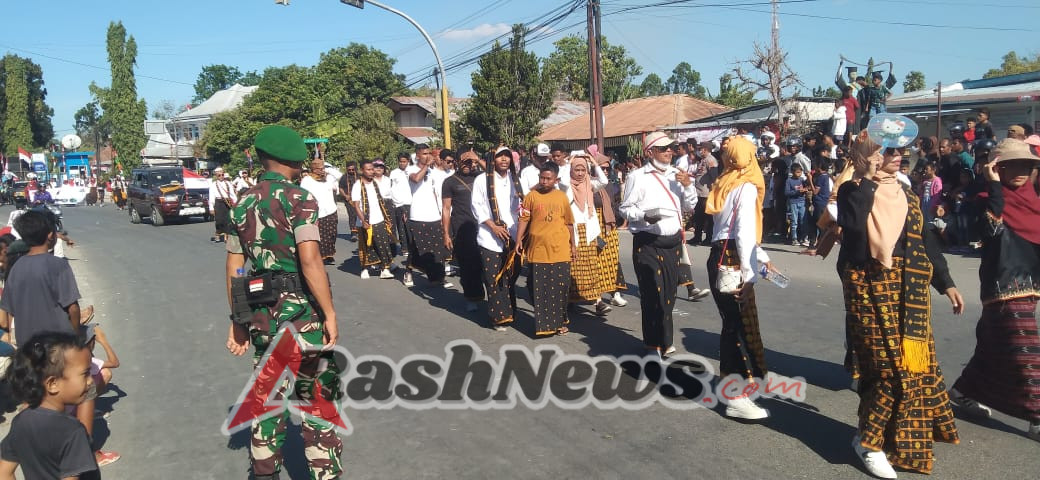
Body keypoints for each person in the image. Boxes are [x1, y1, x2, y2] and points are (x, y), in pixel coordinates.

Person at [837, 131, 962, 478]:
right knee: (886, 370)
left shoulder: (905, 192)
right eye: (887, 151)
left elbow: (924, 241)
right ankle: (868, 442)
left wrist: (946, 282)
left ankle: (890, 439)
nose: (897, 156)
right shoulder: (852, 190)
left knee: (914, 367)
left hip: (911, 292)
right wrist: (864, 178)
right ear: (868, 155)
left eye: (900, 151)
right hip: (869, 288)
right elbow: (854, 232)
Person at [224, 125, 343, 480]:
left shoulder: (242, 202)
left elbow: (235, 267)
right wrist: (330, 312)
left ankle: (264, 473)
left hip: (261, 315)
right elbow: (310, 261)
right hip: (302, 315)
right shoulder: (300, 199)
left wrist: (238, 322)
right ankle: (324, 472)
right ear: (295, 160)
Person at [950, 139, 1040, 442]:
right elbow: (989, 229)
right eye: (1011, 164)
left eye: (1026, 165)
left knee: (992, 345)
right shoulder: (987, 198)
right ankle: (1037, 416)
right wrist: (994, 186)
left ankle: (963, 390)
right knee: (1027, 351)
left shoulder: (1035, 202)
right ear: (997, 167)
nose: (1020, 170)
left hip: (1030, 286)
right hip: (1002, 286)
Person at [703, 136, 775, 420]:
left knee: (733, 325)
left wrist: (764, 257)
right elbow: (743, 231)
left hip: (720, 253)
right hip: (734, 258)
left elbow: (729, 230)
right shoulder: (744, 187)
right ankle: (736, 396)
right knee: (739, 327)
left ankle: (734, 387)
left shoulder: (725, 181)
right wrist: (750, 273)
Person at [619, 131, 698, 356]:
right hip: (648, 242)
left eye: (670, 148)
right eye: (663, 149)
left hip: (672, 243)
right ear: (650, 151)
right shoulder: (638, 176)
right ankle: (653, 344)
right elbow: (625, 208)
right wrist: (644, 216)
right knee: (653, 293)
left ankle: (666, 339)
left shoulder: (677, 174)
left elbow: (690, 205)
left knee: (669, 295)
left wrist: (688, 186)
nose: (669, 152)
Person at [0, 332, 101, 480]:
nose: (91, 381)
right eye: (85, 374)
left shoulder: (20, 423)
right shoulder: (73, 431)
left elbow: (4, 472)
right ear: (53, 384)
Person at [516, 162, 575, 337]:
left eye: (548, 178)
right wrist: (519, 239)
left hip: (560, 249)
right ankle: (544, 325)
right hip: (537, 250)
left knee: (560, 289)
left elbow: (569, 223)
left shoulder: (562, 197)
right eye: (542, 178)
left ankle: (560, 322)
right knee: (538, 289)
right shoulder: (531, 197)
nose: (544, 181)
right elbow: (524, 219)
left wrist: (573, 245)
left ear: (556, 180)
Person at [472, 147, 523, 331]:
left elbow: (521, 206)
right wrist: (493, 226)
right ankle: (498, 317)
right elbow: (477, 206)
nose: (504, 160)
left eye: (507, 156)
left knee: (510, 277)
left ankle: (509, 312)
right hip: (489, 237)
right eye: (500, 156)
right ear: (493, 158)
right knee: (493, 278)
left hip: (513, 235)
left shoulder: (516, 180)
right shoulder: (481, 180)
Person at [560, 153, 613, 315]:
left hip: (588, 232)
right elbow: (561, 178)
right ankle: (569, 300)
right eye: (577, 169)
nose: (581, 173)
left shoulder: (590, 184)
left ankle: (597, 301)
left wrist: (594, 163)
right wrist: (569, 161)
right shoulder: (566, 185)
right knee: (573, 268)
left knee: (591, 267)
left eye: (583, 169)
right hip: (572, 231)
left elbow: (604, 181)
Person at [440, 150, 485, 310]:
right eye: (464, 161)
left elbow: (494, 175)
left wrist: (478, 159)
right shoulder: (450, 182)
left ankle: (491, 297)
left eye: (470, 162)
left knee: (485, 264)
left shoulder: (480, 177)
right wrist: (446, 234)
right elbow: (446, 209)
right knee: (468, 265)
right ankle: (472, 297)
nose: (468, 165)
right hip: (462, 228)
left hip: (484, 227)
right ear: (457, 162)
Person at [404, 143, 451, 288]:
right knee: (419, 249)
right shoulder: (410, 169)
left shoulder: (432, 172)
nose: (428, 156)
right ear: (417, 155)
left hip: (434, 215)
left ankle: (439, 277)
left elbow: (436, 192)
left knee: (438, 249)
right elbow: (416, 179)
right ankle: (409, 271)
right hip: (418, 216)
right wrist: (426, 166)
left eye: (429, 153)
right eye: (424, 154)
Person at [351, 159, 395, 280]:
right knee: (366, 246)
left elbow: (381, 202)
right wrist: (363, 221)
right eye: (369, 169)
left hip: (379, 219)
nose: (372, 172)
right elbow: (356, 205)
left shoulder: (375, 183)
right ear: (362, 171)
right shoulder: (357, 185)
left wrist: (387, 218)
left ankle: (384, 269)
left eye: (372, 169)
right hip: (365, 222)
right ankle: (365, 268)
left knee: (383, 244)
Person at [300, 158, 340, 265]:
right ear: (314, 169)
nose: (322, 170)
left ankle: (330, 254)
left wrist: (330, 170)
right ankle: (322, 256)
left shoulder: (328, 178)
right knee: (321, 236)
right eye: (320, 169)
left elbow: (340, 176)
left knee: (332, 234)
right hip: (318, 212)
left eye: (323, 168)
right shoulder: (307, 180)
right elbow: (303, 196)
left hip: (331, 210)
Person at [389, 153, 413, 257]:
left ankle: (412, 246)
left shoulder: (412, 171)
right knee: (401, 226)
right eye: (401, 161)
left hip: (411, 202)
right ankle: (404, 248)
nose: (402, 163)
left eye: (404, 161)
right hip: (399, 203)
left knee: (410, 226)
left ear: (408, 161)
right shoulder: (394, 173)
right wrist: (397, 202)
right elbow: (392, 189)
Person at [209, 167, 237, 244]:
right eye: (219, 175)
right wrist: (211, 207)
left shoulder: (228, 184)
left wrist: (236, 203)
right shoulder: (213, 184)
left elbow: (232, 194)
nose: (221, 176)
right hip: (218, 202)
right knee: (219, 220)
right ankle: (218, 233)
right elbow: (211, 196)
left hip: (227, 202)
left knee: (228, 219)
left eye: (222, 175)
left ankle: (226, 235)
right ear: (216, 176)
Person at [337, 162, 359, 242]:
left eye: (353, 169)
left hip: (359, 199)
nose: (351, 171)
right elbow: (340, 188)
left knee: (360, 215)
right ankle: (353, 233)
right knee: (352, 215)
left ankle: (361, 232)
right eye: (349, 169)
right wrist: (345, 195)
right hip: (349, 200)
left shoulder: (360, 176)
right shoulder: (344, 177)